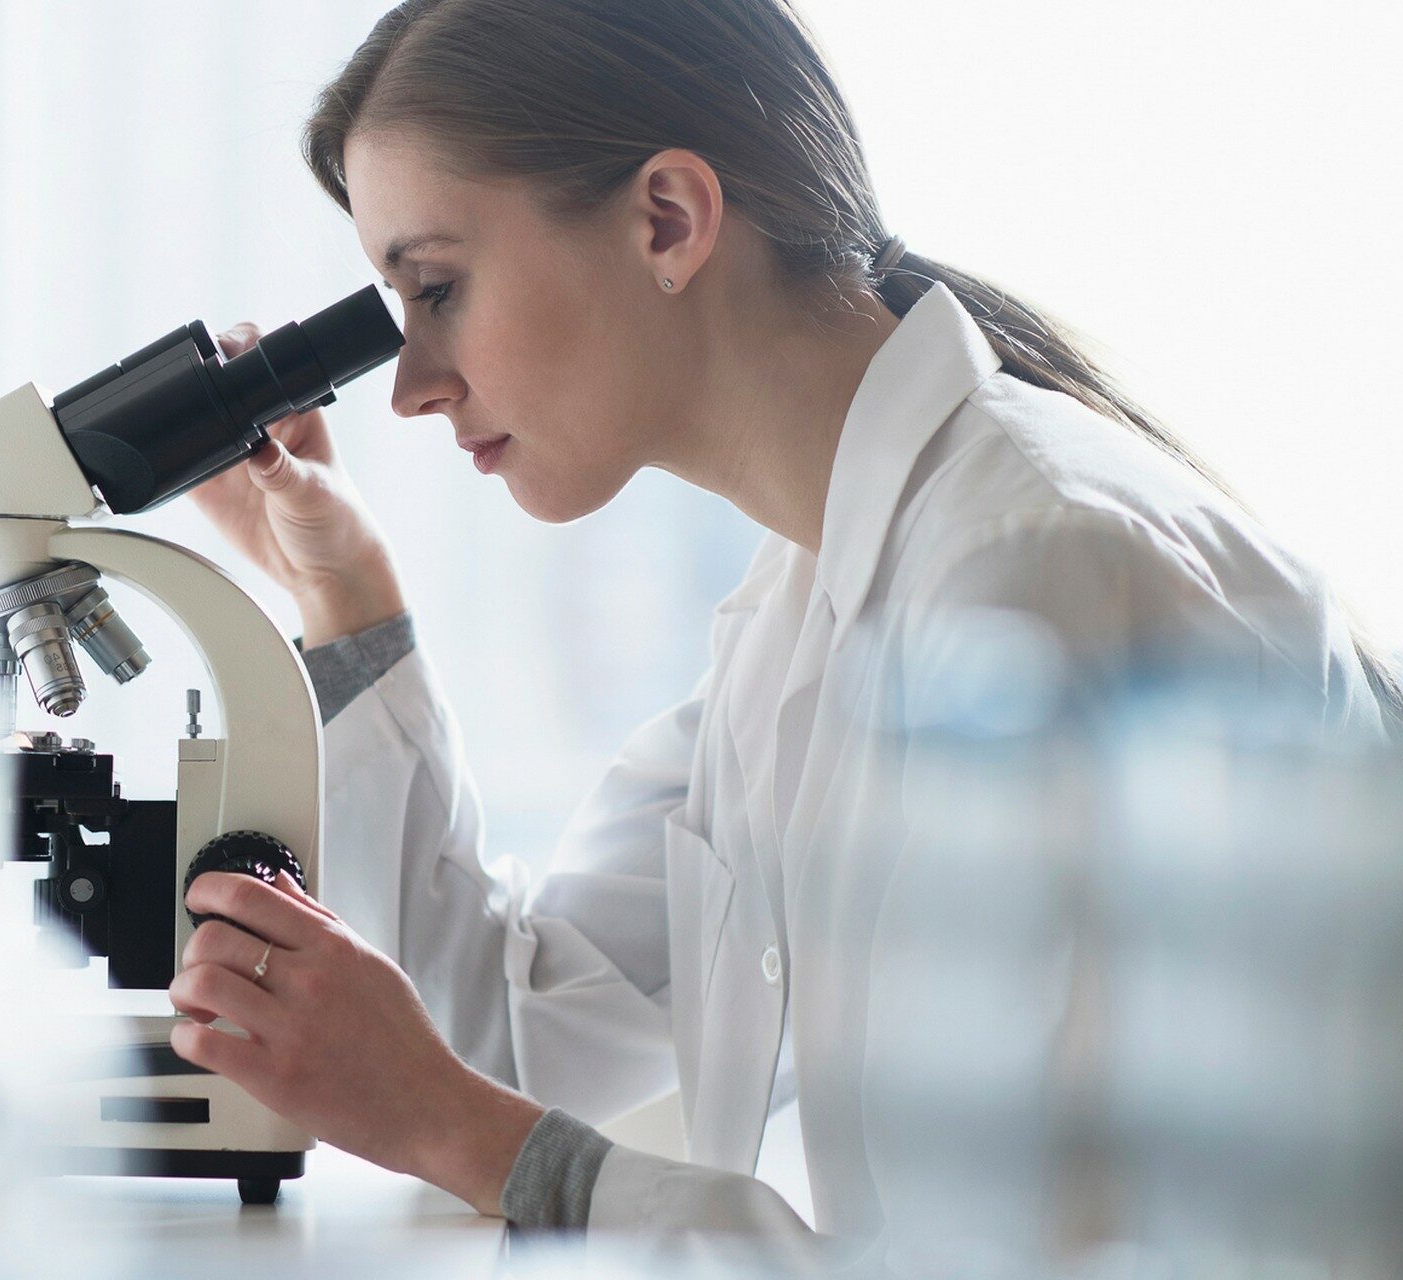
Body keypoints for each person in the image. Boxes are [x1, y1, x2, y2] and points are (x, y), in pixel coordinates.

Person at [159, 0, 1398, 1251]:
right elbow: (506, 1027)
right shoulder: (805, 597)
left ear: (668, 220)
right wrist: (342, 594)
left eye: (437, 289)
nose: (413, 389)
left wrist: (464, 1132)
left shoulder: (1032, 574)